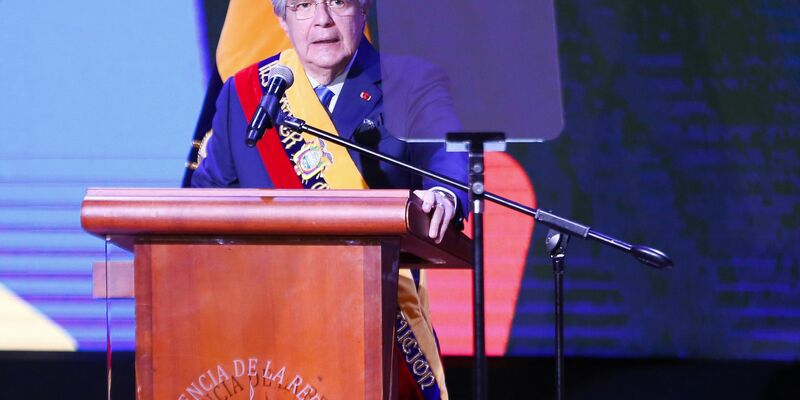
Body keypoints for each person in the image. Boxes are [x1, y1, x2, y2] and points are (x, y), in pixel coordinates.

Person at [191, 1, 466, 398]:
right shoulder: (246, 94)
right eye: (302, 5)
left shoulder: (411, 83)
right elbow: (204, 206)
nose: (322, 20)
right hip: (267, 328)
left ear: (364, 10)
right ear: (282, 20)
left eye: (337, 2)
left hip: (374, 326)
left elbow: (445, 158)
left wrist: (444, 194)